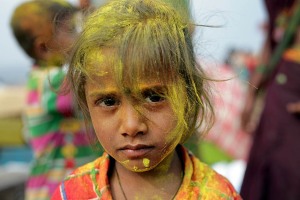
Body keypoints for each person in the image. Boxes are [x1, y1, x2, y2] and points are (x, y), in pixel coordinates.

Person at [51, 0, 242, 199]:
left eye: (154, 97)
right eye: (108, 102)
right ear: (87, 104)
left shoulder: (218, 195)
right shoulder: (72, 193)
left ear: (189, 96)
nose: (132, 126)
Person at [10, 1, 97, 199]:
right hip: (52, 190)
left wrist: (85, 12)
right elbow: (85, 71)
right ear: (44, 48)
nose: (79, 35)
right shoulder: (47, 82)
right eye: (71, 29)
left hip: (75, 187)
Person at [240, 0, 300, 199]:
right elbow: (270, 43)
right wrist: (250, 95)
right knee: (260, 171)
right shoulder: (281, 7)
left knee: (288, 177)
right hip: (278, 90)